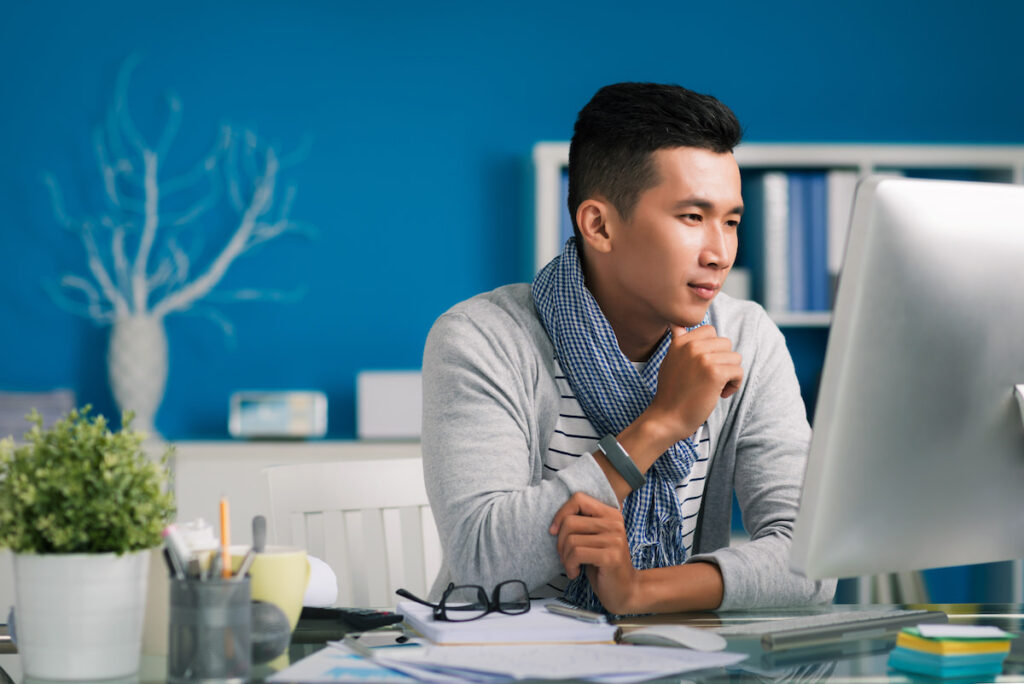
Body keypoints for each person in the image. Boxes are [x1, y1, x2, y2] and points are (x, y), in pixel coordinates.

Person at [421, 82, 836, 614]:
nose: (720, 252)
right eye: (692, 217)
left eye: (731, 221)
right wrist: (661, 424)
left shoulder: (747, 340)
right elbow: (482, 560)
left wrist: (641, 591)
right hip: (499, 656)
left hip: (673, 653)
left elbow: (811, 563)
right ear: (599, 225)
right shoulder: (482, 338)